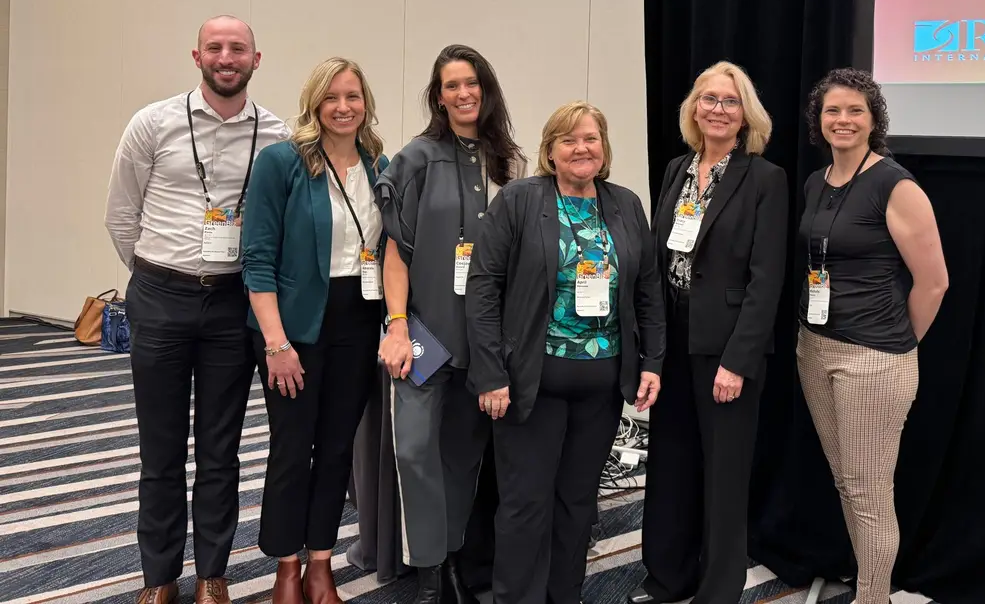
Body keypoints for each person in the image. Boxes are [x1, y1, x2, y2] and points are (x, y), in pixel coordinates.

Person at [104, 16, 289, 604]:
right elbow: (121, 215)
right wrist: (156, 278)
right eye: (215, 47)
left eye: (238, 48)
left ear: (256, 59)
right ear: (197, 56)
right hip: (161, 296)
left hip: (232, 304)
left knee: (220, 448)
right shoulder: (152, 123)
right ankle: (158, 577)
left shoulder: (278, 135)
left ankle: (213, 573)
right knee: (160, 449)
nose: (225, 57)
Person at [466, 101, 667, 604]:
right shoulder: (520, 200)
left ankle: (564, 594)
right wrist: (490, 373)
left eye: (591, 138)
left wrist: (652, 362)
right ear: (550, 151)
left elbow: (648, 291)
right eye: (568, 140)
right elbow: (483, 288)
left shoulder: (625, 204)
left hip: (602, 385)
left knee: (578, 502)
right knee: (525, 503)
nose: (581, 148)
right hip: (530, 384)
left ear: (604, 148)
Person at [372, 44, 525, 604]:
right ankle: (429, 571)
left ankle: (452, 560)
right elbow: (395, 254)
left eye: (472, 83)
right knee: (415, 452)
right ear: (438, 97)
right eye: (451, 86)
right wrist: (395, 326)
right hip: (423, 335)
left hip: (484, 339)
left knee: (463, 457)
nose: (464, 94)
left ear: (487, 90)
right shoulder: (415, 159)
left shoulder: (508, 163)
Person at [631, 62, 788, 604]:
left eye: (730, 101)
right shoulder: (677, 169)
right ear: (693, 109)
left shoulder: (764, 179)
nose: (718, 109)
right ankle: (667, 577)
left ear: (746, 116)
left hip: (726, 346)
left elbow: (767, 280)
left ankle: (718, 589)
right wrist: (650, 349)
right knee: (670, 463)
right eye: (709, 99)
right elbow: (660, 259)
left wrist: (738, 361)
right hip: (673, 339)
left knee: (724, 474)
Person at [795, 68, 948, 604]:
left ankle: (872, 597)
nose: (843, 120)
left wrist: (896, 346)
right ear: (818, 120)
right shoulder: (817, 182)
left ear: (874, 119)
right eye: (832, 110)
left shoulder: (895, 185)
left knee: (868, 492)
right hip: (814, 348)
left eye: (855, 110)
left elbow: (934, 283)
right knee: (846, 482)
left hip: (873, 360)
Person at [241, 58, 389, 604]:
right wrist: (276, 343)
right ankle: (286, 565)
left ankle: (321, 562)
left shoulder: (378, 164)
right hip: (293, 325)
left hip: (358, 318)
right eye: (332, 97)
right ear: (314, 103)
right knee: (291, 447)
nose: (343, 107)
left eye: (353, 96)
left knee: (335, 448)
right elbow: (257, 259)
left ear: (365, 103)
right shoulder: (281, 162)